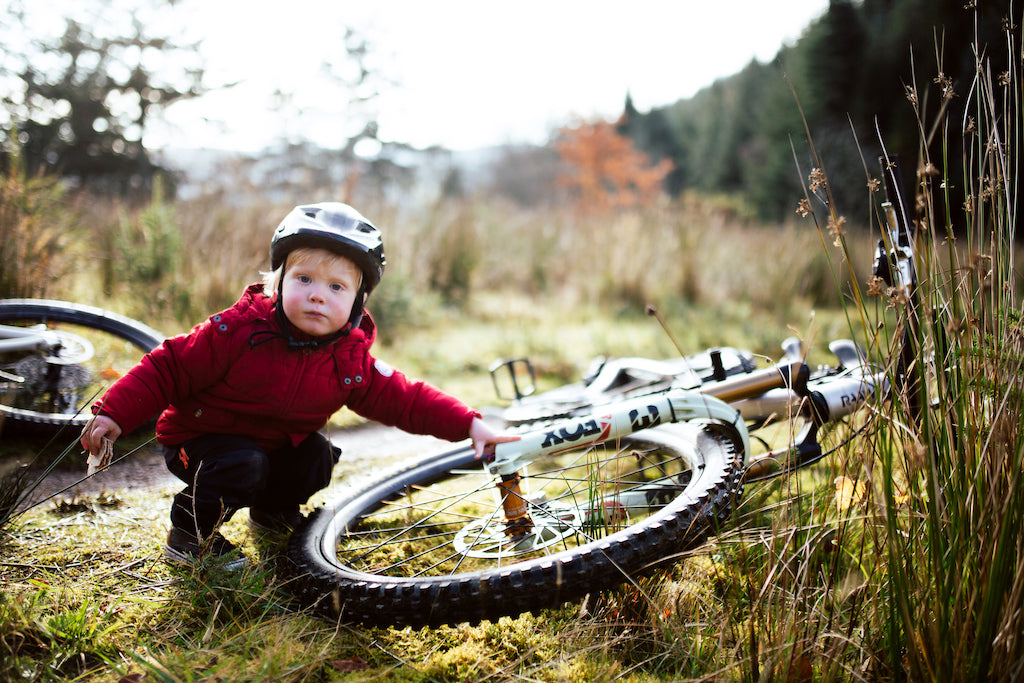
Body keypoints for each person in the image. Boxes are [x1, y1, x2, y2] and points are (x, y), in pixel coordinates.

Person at [80, 201, 519, 569]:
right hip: (201, 443)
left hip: (271, 448)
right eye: (304, 279)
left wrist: (471, 425)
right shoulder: (236, 331)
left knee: (315, 457)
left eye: (335, 286)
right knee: (241, 462)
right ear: (278, 283)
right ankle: (191, 536)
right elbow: (168, 367)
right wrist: (115, 412)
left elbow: (407, 399)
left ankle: (271, 511)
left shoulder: (349, 358)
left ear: (356, 302)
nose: (317, 294)